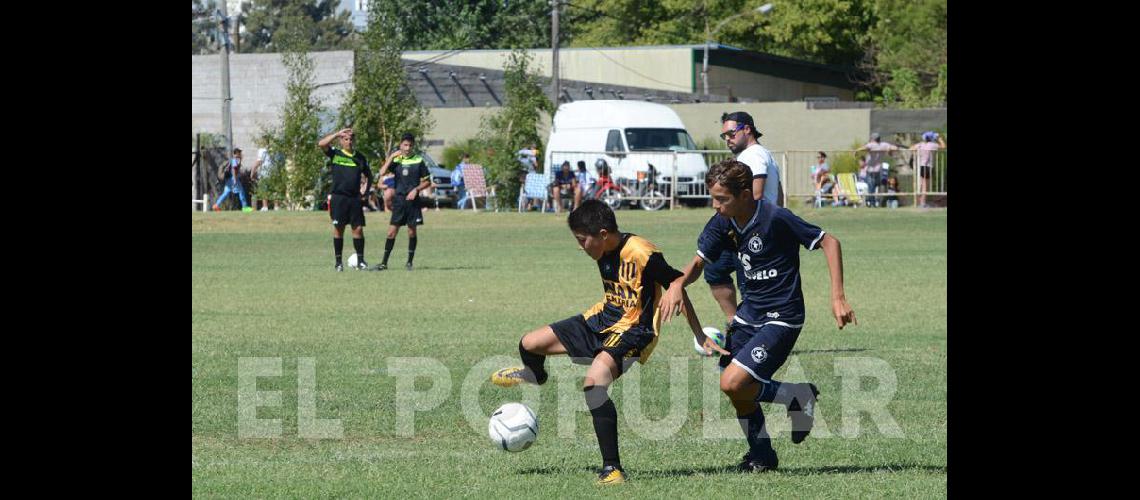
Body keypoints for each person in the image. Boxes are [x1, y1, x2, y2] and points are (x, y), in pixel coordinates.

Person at [491, 199, 721, 485]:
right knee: (529, 343)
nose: (580, 246)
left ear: (602, 234)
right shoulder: (602, 248)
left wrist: (698, 334)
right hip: (602, 318)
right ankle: (535, 375)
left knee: (593, 385)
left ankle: (612, 468)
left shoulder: (641, 252)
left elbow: (677, 282)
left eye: (581, 239)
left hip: (635, 330)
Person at [659, 159, 856, 472]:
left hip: (783, 315)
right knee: (738, 391)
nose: (716, 205)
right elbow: (697, 264)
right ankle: (762, 454)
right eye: (713, 198)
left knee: (732, 383)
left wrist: (838, 297)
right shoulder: (722, 222)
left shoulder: (775, 217)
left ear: (745, 194)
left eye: (722, 198)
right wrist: (677, 285)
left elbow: (829, 242)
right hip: (748, 315)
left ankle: (797, 396)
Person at [702, 111, 784, 331]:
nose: (728, 138)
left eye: (731, 133)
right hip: (752, 228)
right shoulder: (762, 154)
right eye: (724, 136)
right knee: (715, 269)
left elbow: (755, 195)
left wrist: (746, 227)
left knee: (749, 284)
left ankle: (753, 330)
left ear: (747, 129)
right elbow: (780, 195)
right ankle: (734, 322)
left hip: (752, 231)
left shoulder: (753, 155)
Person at [317, 128, 374, 271]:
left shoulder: (360, 157)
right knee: (339, 229)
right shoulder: (335, 154)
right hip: (339, 198)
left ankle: (361, 261)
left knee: (358, 229)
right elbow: (321, 144)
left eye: (351, 139)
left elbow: (369, 176)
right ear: (341, 141)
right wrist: (336, 134)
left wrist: (365, 192)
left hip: (354, 199)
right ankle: (338, 263)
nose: (349, 142)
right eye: (346, 139)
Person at [376, 133, 431, 271]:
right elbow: (382, 172)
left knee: (412, 232)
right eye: (405, 145)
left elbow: (427, 181)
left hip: (413, 202)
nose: (407, 148)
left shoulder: (418, 160)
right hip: (399, 201)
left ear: (413, 146)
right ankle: (384, 263)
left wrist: (416, 190)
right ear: (400, 145)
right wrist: (391, 157)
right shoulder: (396, 161)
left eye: (410, 145)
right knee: (391, 233)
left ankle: (409, 263)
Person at [855, 133, 899, 208]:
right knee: (877, 187)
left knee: (871, 188)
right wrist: (889, 149)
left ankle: (872, 204)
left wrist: (857, 150)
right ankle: (877, 203)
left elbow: (865, 147)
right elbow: (895, 148)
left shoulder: (871, 145)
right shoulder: (884, 145)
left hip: (870, 171)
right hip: (879, 171)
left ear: (873, 139)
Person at [909, 132, 946, 208]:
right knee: (925, 186)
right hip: (928, 167)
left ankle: (919, 202)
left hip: (921, 166)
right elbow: (944, 146)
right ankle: (922, 203)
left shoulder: (920, 144)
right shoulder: (932, 145)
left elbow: (911, 148)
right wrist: (939, 138)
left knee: (922, 184)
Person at [213, 148, 252, 212]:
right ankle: (245, 207)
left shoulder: (234, 160)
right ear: (236, 153)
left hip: (229, 180)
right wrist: (235, 179)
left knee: (225, 193)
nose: (240, 154)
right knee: (241, 192)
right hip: (233, 179)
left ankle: (216, 205)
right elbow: (234, 169)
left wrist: (241, 159)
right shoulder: (234, 160)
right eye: (239, 153)